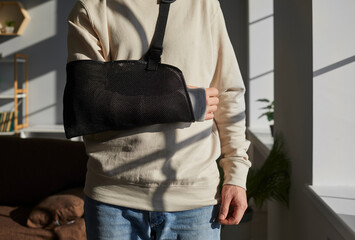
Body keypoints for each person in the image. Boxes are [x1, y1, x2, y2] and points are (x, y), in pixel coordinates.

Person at [67, 0, 251, 239]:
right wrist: (179, 102)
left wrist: (236, 175)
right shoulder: (91, 8)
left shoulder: (203, 5)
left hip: (194, 201)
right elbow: (87, 102)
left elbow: (228, 93)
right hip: (113, 198)